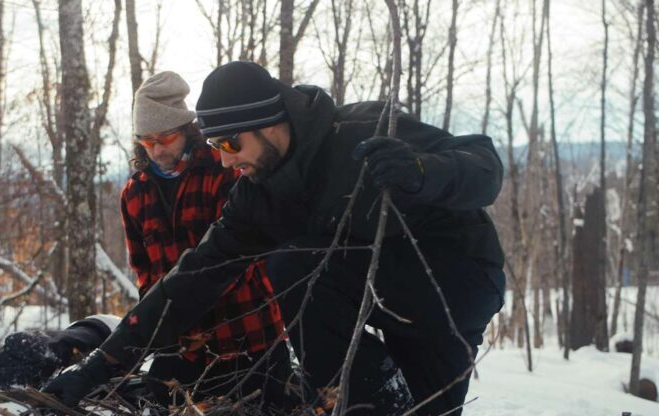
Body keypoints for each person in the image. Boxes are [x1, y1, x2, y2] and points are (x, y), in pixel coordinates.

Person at [44, 62, 505, 416]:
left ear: (266, 123)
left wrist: (424, 172)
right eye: (214, 147)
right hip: (373, 296)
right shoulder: (258, 196)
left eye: (229, 145)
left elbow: (484, 164)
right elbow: (190, 280)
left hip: (452, 290)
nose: (224, 163)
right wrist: (100, 366)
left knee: (295, 263)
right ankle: (369, 402)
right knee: (296, 267)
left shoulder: (359, 133)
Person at [109, 71, 292, 409]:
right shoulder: (135, 194)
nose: (157, 149)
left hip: (249, 338)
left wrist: (194, 317)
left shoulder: (225, 168)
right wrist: (164, 333)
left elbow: (239, 262)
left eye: (165, 138)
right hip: (182, 350)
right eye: (147, 141)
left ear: (186, 130)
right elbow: (147, 275)